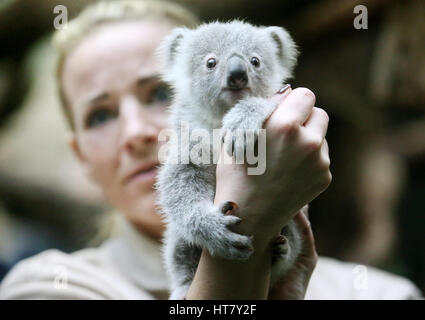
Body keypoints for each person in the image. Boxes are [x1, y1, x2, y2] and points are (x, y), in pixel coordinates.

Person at [0, 0, 421, 300]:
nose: (138, 132)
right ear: (82, 158)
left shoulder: (375, 292)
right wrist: (248, 223)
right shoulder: (47, 286)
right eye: (100, 116)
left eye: (160, 93)